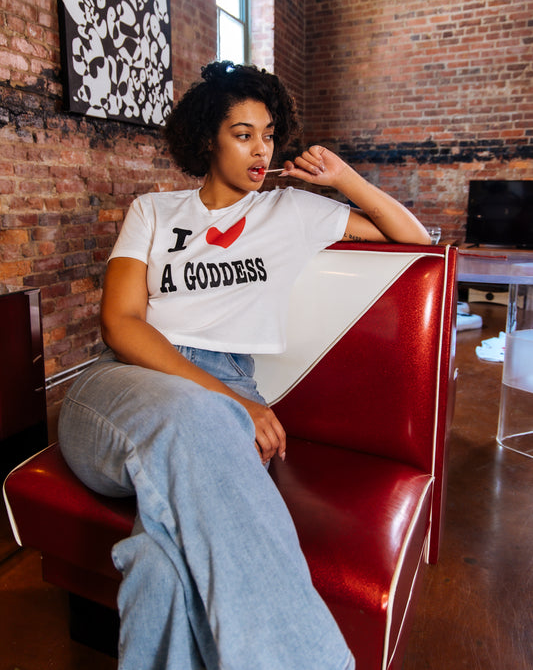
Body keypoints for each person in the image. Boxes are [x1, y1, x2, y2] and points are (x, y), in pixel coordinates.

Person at [58, 61, 430, 670]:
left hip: (224, 391)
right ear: (208, 137)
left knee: (160, 563)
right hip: (122, 386)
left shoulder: (292, 212)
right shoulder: (153, 211)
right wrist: (230, 404)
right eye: (242, 133)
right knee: (192, 415)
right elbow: (121, 324)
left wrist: (344, 180)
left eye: (269, 133)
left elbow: (416, 241)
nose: (262, 150)